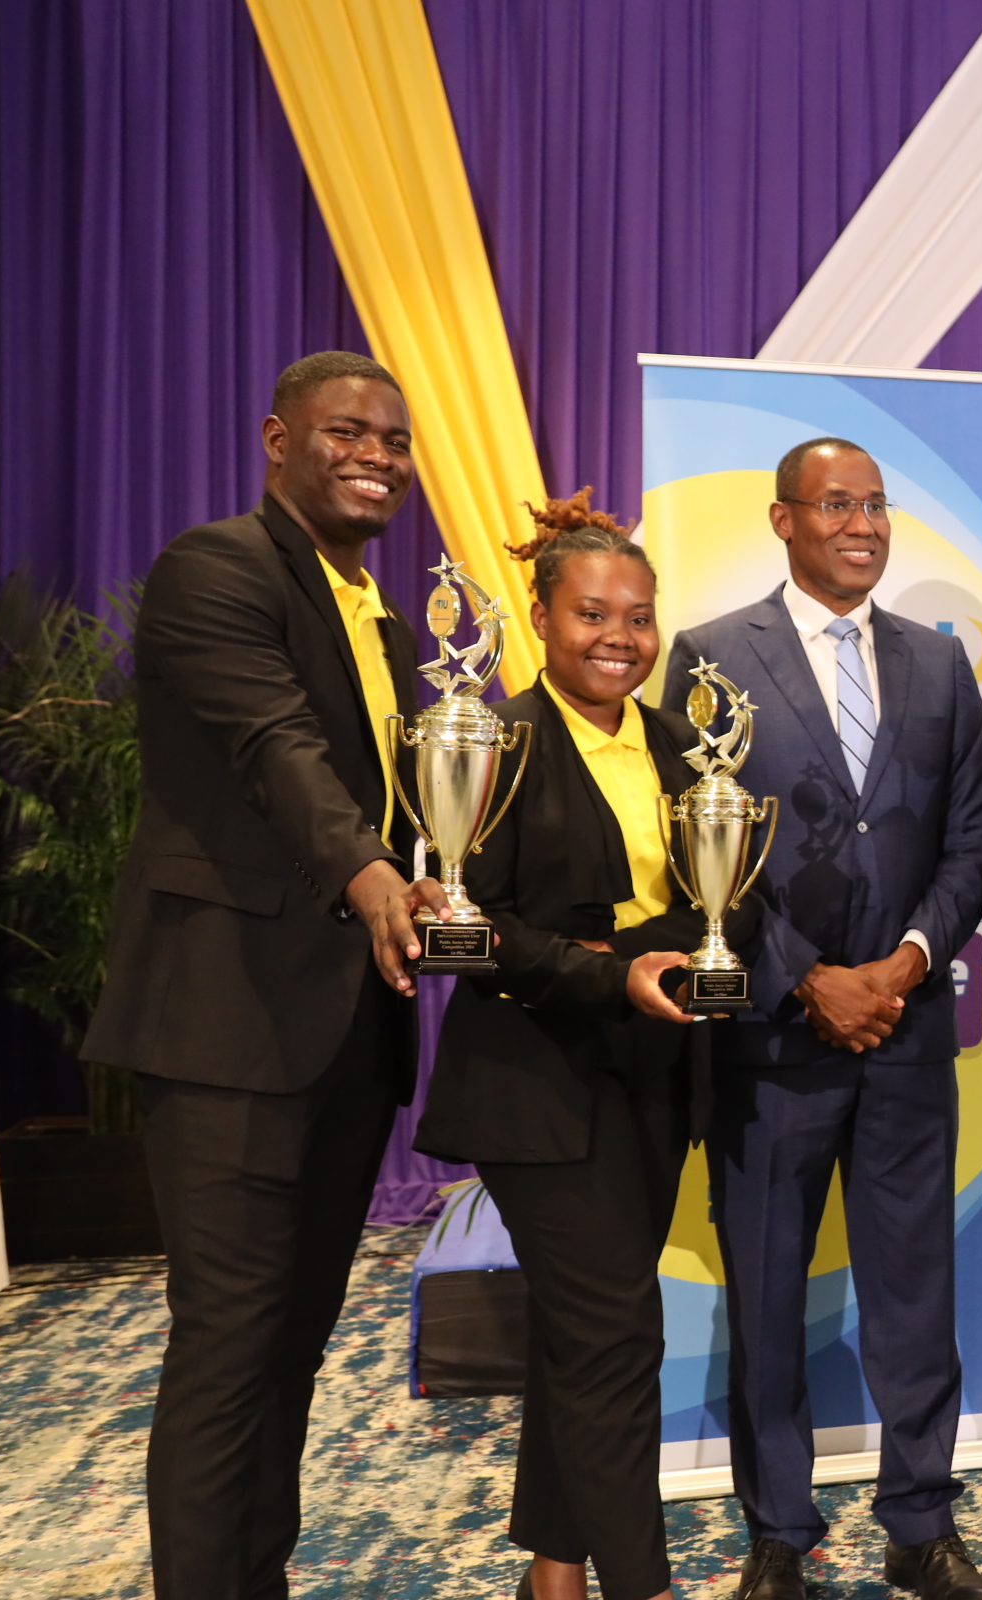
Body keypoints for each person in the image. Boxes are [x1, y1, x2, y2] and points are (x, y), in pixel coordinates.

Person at [82, 351, 449, 1599]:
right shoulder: (218, 568)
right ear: (275, 435)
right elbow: (275, 749)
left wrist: (430, 876)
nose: (377, 455)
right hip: (228, 1027)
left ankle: (259, 1578)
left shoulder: (379, 614)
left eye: (396, 441)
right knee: (229, 1348)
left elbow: (402, 795)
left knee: (292, 1344)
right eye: (350, 431)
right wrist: (372, 881)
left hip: (344, 1027)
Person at [663, 438, 982, 1600]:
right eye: (837, 504)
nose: (862, 523)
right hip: (770, 1040)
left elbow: (968, 845)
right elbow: (695, 850)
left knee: (919, 1291)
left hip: (905, 1035)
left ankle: (921, 1521)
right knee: (766, 1288)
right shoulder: (708, 659)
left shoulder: (939, 667)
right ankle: (779, 1530)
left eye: (876, 504)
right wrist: (809, 977)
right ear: (782, 518)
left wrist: (902, 965)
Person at [412, 493, 739, 1600]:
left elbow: (705, 902)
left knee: (581, 1334)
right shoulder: (493, 741)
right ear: (542, 619)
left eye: (639, 618)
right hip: (537, 1087)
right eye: (593, 614)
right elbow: (467, 925)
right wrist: (610, 969)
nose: (620, 638)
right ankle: (638, 1586)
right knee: (616, 1342)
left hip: (651, 1081)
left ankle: (555, 1574)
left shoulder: (678, 744)